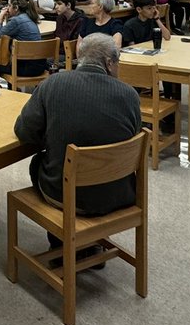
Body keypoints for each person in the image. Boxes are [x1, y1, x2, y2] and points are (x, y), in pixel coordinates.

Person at [13, 33, 141, 255]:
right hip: (120, 193)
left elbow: (24, 132)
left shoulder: (52, 84)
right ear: (110, 64)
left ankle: (61, 244)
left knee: (39, 162)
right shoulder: (130, 95)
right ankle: (91, 242)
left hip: (68, 196)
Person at [0, 0, 48, 79]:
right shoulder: (30, 17)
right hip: (40, 66)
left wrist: (1, 16)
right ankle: (14, 90)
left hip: (26, 68)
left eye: (9, 5)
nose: (7, 8)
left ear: (16, 8)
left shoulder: (16, 20)